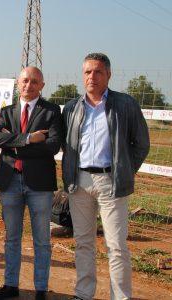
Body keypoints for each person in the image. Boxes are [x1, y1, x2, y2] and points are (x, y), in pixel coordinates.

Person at [62, 53, 149, 300]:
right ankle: (83, 294)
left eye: (98, 71)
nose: (92, 77)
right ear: (83, 75)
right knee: (83, 243)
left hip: (111, 183)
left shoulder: (126, 104)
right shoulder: (72, 108)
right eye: (88, 72)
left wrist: (124, 171)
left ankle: (121, 297)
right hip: (79, 183)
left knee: (117, 247)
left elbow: (141, 144)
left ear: (108, 74)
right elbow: (66, 146)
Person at [0, 67, 63, 300]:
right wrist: (29, 139)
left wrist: (15, 145)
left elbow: (53, 145)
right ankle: (11, 286)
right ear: (17, 84)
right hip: (10, 181)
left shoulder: (51, 112)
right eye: (24, 81)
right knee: (12, 237)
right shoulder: (7, 111)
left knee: (41, 239)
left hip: (39, 185)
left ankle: (40, 289)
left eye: (34, 81)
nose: (28, 85)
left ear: (42, 85)